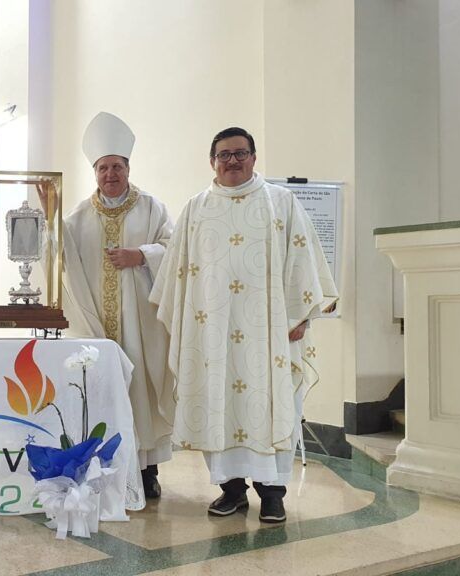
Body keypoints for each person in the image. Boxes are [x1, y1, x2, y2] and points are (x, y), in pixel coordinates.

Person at [150, 127, 338, 523]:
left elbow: (302, 262)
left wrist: (300, 316)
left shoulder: (281, 202)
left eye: (240, 153)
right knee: (219, 406)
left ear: (253, 157)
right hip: (212, 336)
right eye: (224, 155)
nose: (232, 161)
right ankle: (232, 490)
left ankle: (273, 494)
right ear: (212, 162)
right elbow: (176, 276)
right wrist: (185, 325)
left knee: (271, 409)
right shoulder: (196, 208)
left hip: (270, 336)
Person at [54, 112, 175, 500]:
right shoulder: (78, 217)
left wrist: (141, 255)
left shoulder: (152, 208)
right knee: (103, 390)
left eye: (117, 167)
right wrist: (47, 215)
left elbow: (175, 250)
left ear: (128, 168)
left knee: (140, 390)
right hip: (97, 325)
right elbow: (60, 256)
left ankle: (147, 470)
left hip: (141, 323)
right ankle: (103, 469)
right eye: (103, 168)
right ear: (95, 172)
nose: (110, 174)